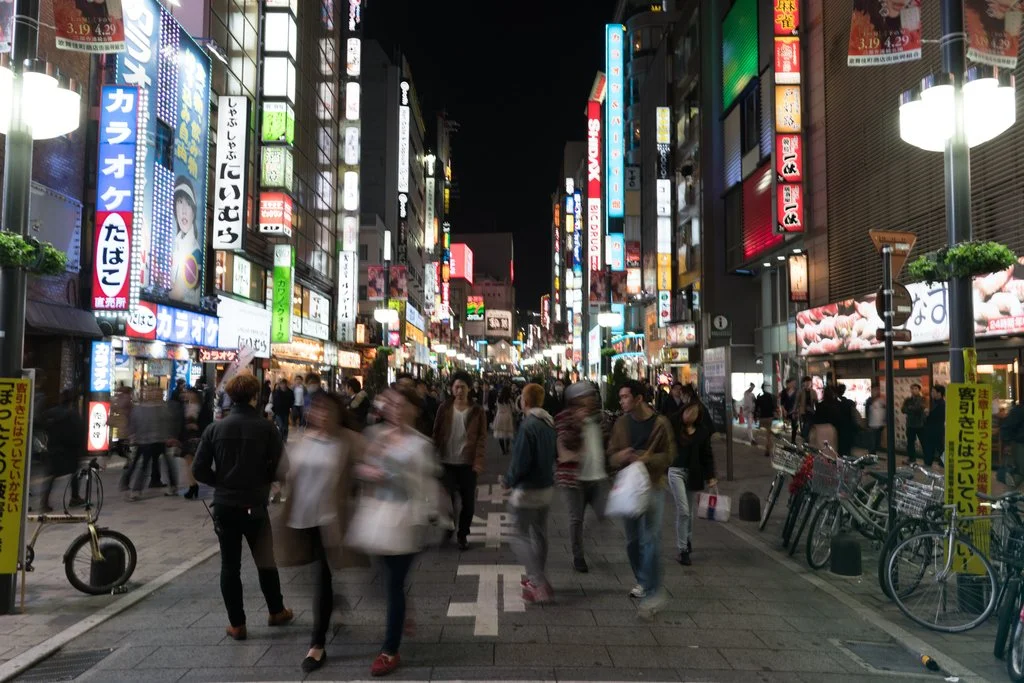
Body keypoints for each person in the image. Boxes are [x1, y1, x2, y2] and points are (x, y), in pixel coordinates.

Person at [192, 374, 293, 640]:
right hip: (254, 506)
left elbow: (198, 469)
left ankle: (237, 624)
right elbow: (284, 467)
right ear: (255, 396)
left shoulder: (215, 429)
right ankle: (276, 610)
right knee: (265, 560)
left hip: (224, 505)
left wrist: (221, 482)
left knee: (230, 565)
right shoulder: (266, 427)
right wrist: (265, 480)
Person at [274, 391, 365, 673]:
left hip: (331, 520)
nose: (320, 415)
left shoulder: (348, 441)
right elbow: (285, 472)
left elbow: (366, 471)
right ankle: (331, 603)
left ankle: (317, 643)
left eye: (326, 410)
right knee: (306, 577)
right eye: (316, 410)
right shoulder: (304, 439)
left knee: (321, 578)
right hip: (302, 519)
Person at [355, 386, 437, 677]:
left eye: (402, 405)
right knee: (383, 579)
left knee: (393, 583)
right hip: (376, 517)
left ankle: (389, 650)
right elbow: (362, 468)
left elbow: (425, 483)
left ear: (413, 410)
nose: (395, 409)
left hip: (406, 520)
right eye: (391, 404)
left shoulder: (421, 445)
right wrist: (368, 472)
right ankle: (403, 613)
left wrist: (392, 474)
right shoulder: (374, 435)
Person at [608, 380, 674, 617]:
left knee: (650, 539)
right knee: (632, 541)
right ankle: (644, 581)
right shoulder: (621, 424)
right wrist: (622, 456)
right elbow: (611, 455)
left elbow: (669, 455)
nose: (622, 401)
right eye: (620, 397)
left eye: (625, 397)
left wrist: (646, 460)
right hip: (628, 488)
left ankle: (654, 592)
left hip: (653, 486)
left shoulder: (660, 423)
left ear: (638, 399)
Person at [505, 383, 557, 603]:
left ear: (524, 402)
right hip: (546, 486)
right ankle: (538, 578)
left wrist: (509, 480)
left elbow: (521, 461)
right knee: (540, 534)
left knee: (518, 534)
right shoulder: (548, 423)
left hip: (528, 490)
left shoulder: (529, 426)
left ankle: (537, 581)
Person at [555, 381, 612, 573]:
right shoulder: (564, 418)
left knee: (604, 513)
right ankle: (578, 556)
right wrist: (578, 423)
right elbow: (565, 444)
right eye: (588, 396)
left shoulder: (599, 418)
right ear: (576, 400)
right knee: (576, 519)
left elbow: (606, 443)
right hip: (574, 478)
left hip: (597, 476)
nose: (592, 400)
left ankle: (586, 540)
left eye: (593, 396)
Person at [433, 372, 487, 550]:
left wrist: (478, 461)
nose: (459, 390)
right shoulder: (444, 408)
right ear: (451, 388)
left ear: (469, 388)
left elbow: (481, 438)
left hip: (467, 463)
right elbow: (437, 432)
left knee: (468, 503)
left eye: (463, 387)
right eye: (456, 386)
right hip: (446, 461)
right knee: (447, 501)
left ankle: (462, 534)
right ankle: (448, 529)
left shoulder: (477, 410)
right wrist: (434, 455)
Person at [667, 403, 716, 566]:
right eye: (688, 411)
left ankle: (687, 541)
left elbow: (707, 455)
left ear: (699, 416)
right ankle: (682, 550)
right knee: (684, 511)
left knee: (689, 511)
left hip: (693, 474)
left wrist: (711, 476)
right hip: (675, 471)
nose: (689, 415)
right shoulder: (674, 426)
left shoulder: (702, 432)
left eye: (694, 413)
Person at [36, 391, 86, 512]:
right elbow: (79, 432)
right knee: (74, 473)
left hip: (54, 448)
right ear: (72, 402)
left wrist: (48, 433)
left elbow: (38, 423)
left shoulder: (51, 413)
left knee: (51, 476)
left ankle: (44, 502)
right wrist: (81, 448)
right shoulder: (72, 414)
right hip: (70, 449)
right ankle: (74, 497)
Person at [126, 385, 176, 500]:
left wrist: (133, 435)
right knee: (159, 465)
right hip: (150, 440)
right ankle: (138, 490)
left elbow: (169, 423)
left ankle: (137, 491)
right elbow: (134, 422)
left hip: (154, 440)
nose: (152, 394)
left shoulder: (159, 407)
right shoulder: (163, 407)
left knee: (150, 465)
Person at [180, 389, 203, 500]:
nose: (186, 395)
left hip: (194, 437)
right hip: (189, 436)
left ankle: (193, 486)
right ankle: (192, 485)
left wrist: (194, 425)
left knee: (190, 461)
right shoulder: (188, 406)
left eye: (189, 393)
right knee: (189, 461)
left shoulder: (197, 407)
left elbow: (199, 422)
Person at [811, 386, 842, 451]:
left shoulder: (820, 405)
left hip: (822, 431)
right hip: (835, 430)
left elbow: (816, 419)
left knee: (823, 450)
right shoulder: (838, 405)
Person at [902, 384, 927, 463]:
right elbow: (903, 409)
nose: (913, 390)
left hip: (920, 424)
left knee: (924, 442)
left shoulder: (923, 399)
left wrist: (910, 408)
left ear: (919, 390)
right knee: (910, 443)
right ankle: (911, 458)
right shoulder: (908, 400)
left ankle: (927, 459)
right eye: (912, 389)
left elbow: (919, 408)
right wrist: (911, 408)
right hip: (910, 424)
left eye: (915, 388)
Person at [923, 385, 946, 468]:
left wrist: (928, 414)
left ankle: (943, 463)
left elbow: (937, 417)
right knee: (930, 448)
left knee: (939, 448)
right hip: (932, 430)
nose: (931, 393)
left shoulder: (942, 404)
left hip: (936, 430)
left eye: (933, 392)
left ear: (939, 393)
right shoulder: (934, 403)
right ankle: (928, 463)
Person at [835, 384, 859, 457]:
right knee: (847, 447)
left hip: (839, 427)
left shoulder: (835, 402)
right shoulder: (848, 402)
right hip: (848, 427)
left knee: (840, 446)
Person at [492, 386, 516, 455]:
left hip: (499, 416)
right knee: (508, 433)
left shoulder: (498, 399)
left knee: (500, 433)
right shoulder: (509, 400)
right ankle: (507, 448)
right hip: (508, 416)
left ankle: (503, 450)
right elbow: (513, 409)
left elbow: (496, 407)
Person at [754, 383, 777, 457]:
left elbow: (756, 408)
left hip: (762, 418)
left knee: (762, 434)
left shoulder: (759, 398)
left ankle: (767, 448)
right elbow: (773, 407)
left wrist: (755, 417)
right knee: (768, 435)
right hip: (769, 417)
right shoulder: (770, 396)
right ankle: (768, 449)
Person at [866, 386, 886, 453]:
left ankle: (874, 452)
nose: (875, 392)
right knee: (872, 440)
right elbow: (867, 412)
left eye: (876, 390)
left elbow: (885, 410)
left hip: (880, 424)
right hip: (872, 424)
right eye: (873, 390)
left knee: (877, 440)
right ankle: (871, 453)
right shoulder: (869, 401)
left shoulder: (882, 400)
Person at [797, 376, 817, 442]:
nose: (808, 384)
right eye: (806, 382)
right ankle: (805, 438)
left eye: (809, 382)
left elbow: (816, 402)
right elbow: (797, 402)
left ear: (811, 383)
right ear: (803, 383)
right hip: (803, 411)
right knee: (806, 423)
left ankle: (805, 437)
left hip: (811, 411)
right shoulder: (800, 392)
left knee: (808, 424)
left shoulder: (813, 392)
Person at [779, 379, 798, 443]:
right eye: (791, 383)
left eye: (794, 383)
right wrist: (784, 410)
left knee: (794, 425)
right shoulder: (784, 392)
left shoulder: (796, 391)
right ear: (787, 384)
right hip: (786, 410)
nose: (793, 384)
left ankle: (793, 440)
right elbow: (782, 403)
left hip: (794, 411)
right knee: (785, 424)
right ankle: (783, 438)